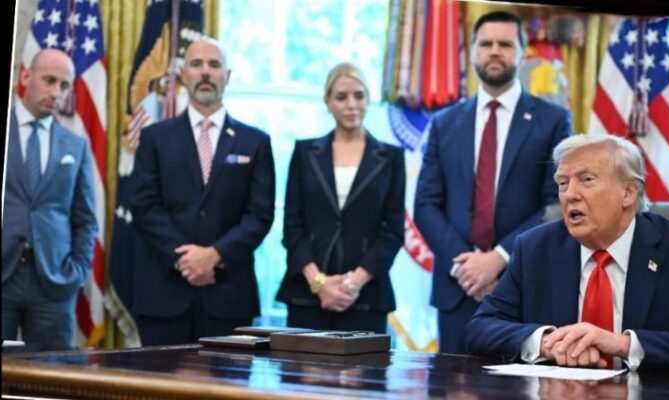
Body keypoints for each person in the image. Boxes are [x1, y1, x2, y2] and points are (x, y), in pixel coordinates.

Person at [465, 134, 669, 372]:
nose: (570, 195)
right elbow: (480, 327)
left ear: (628, 193)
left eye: (586, 180)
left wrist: (623, 345)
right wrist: (547, 343)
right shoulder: (534, 248)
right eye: (563, 183)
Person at [414, 11, 572, 353]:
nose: (495, 51)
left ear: (522, 52)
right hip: (457, 287)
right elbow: (425, 204)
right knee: (450, 381)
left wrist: (499, 258)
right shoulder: (444, 123)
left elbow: (556, 206)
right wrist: (467, 266)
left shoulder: (553, 121)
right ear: (472, 51)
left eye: (505, 44)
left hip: (522, 286)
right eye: (486, 44)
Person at [130, 38, 275, 345]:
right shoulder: (155, 137)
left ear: (227, 75)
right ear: (183, 74)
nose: (206, 72)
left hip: (228, 297)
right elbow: (144, 206)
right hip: (164, 294)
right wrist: (186, 259)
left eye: (214, 65)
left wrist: (215, 255)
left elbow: (260, 215)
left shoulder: (255, 142)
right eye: (196, 64)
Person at [277, 63, 405, 333]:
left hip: (367, 296)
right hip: (306, 295)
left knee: (365, 363)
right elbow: (292, 226)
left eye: (359, 96)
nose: (351, 105)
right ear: (327, 101)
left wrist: (353, 283)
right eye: (341, 97)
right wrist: (319, 283)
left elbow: (393, 231)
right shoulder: (305, 153)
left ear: (368, 99)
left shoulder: (391, 158)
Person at [2, 49, 98, 350]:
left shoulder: (76, 146)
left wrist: (77, 272)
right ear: (25, 76)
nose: (56, 92)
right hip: (4, 275)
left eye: (65, 85)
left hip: (54, 282)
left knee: (52, 370)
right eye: (49, 80)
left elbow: (85, 219)